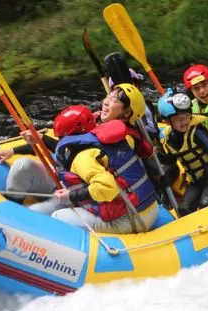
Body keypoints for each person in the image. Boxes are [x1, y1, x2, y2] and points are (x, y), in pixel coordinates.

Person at [26, 86, 159, 234]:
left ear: (127, 113)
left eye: (114, 100)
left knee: (57, 215)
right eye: (108, 96)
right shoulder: (109, 131)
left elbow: (81, 153)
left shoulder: (125, 138)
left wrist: (71, 196)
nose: (107, 101)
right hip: (134, 202)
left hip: (130, 213)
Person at [157, 91, 208, 216]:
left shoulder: (196, 132)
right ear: (168, 121)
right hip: (196, 180)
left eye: (186, 116)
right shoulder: (168, 139)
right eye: (178, 118)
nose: (184, 121)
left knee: (206, 204)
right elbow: (170, 161)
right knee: (184, 209)